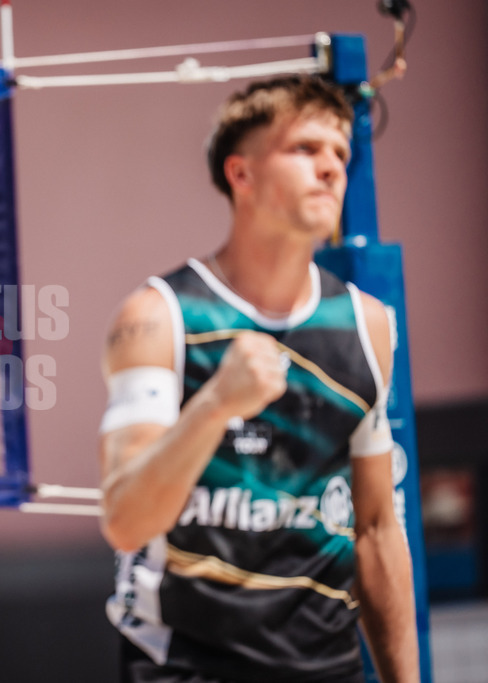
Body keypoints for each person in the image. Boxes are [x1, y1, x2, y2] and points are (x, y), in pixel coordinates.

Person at [97, 75, 418, 683]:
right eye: (305, 149)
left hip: (329, 667)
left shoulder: (367, 325)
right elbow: (125, 520)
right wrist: (215, 404)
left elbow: (376, 529)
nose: (330, 168)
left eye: (340, 154)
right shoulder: (158, 316)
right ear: (240, 174)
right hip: (187, 666)